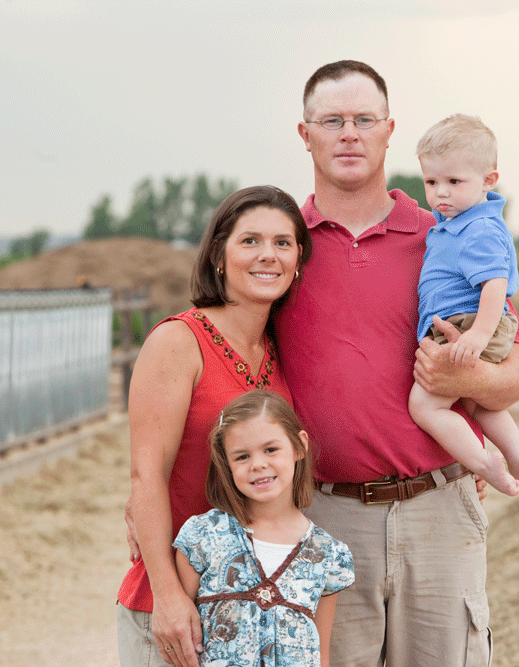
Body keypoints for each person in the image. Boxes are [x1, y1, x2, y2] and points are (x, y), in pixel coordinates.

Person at [274, 60, 519, 666]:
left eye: (364, 119)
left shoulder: (447, 231)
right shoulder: (282, 243)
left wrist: (468, 378)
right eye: (331, 120)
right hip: (323, 511)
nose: (349, 133)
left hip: (438, 507)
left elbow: (518, 369)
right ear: (303, 132)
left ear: (389, 131)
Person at [117, 185, 313, 667]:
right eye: (250, 241)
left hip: (258, 608)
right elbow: (147, 475)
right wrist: (167, 596)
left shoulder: (284, 349)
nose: (268, 255)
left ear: (297, 260)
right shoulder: (177, 342)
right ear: (219, 257)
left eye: (282, 243)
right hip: (182, 605)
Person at [174, 390, 354, 667]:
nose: (258, 464)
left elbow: (321, 655)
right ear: (227, 463)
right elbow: (182, 638)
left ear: (299, 446)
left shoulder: (328, 555)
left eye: (270, 449)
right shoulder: (203, 536)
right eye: (242, 457)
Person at [408, 114, 519, 496]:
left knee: (426, 407)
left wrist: (478, 334)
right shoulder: (455, 221)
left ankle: (485, 462)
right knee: (477, 400)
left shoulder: (478, 228)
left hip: (468, 325)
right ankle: (518, 453)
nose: (440, 193)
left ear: (488, 181)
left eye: (453, 182)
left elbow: (495, 284)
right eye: (431, 182)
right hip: (468, 324)